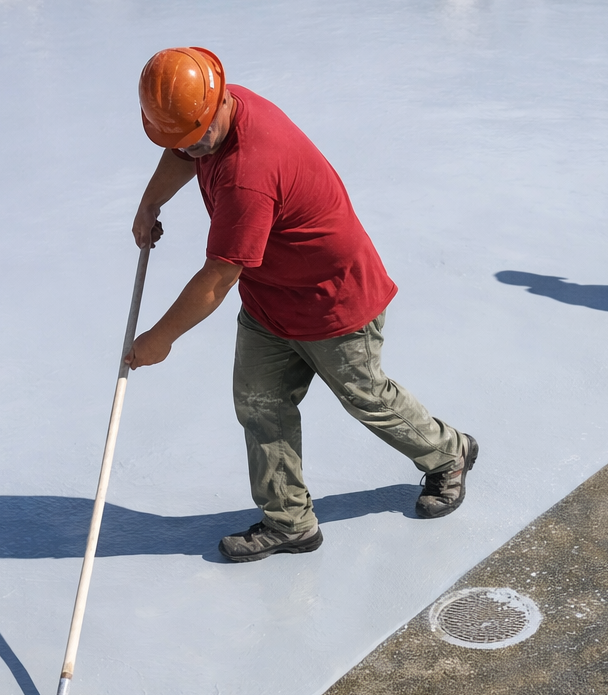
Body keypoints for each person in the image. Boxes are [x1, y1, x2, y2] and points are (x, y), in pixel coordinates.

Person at [124, 47, 477, 561]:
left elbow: (219, 276)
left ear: (218, 101)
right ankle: (288, 521)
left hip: (332, 302)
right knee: (259, 404)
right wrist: (151, 200)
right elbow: (182, 148)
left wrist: (160, 339)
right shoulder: (215, 109)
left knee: (366, 397)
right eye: (181, 140)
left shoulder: (249, 171)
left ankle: (450, 453)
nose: (192, 150)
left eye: (198, 138)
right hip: (272, 296)